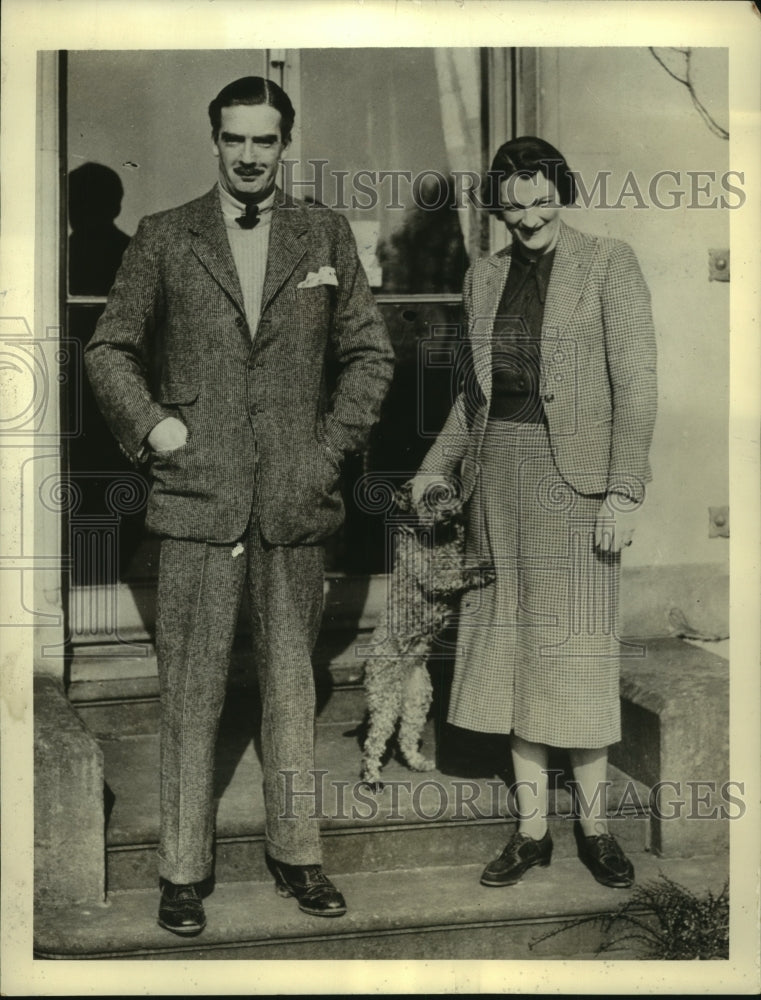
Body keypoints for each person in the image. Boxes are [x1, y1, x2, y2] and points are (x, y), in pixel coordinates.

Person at [85, 76, 394, 936]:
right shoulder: (163, 236)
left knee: (294, 693)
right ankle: (182, 870)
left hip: (293, 507)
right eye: (235, 140)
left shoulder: (323, 234)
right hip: (197, 503)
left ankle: (299, 855)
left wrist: (325, 451)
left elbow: (369, 356)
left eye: (265, 140)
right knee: (191, 694)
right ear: (214, 142)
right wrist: (155, 430)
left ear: (283, 144)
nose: (250, 156)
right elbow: (109, 347)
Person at [411, 136, 657, 891]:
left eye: (540, 200)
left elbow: (638, 386)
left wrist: (622, 491)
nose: (527, 218)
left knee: (576, 653)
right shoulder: (481, 277)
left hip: (576, 484)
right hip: (499, 480)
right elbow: (475, 395)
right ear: (496, 209)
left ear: (562, 192)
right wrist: (433, 466)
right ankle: (529, 832)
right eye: (511, 206)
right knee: (512, 652)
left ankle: (594, 827)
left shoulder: (608, 262)